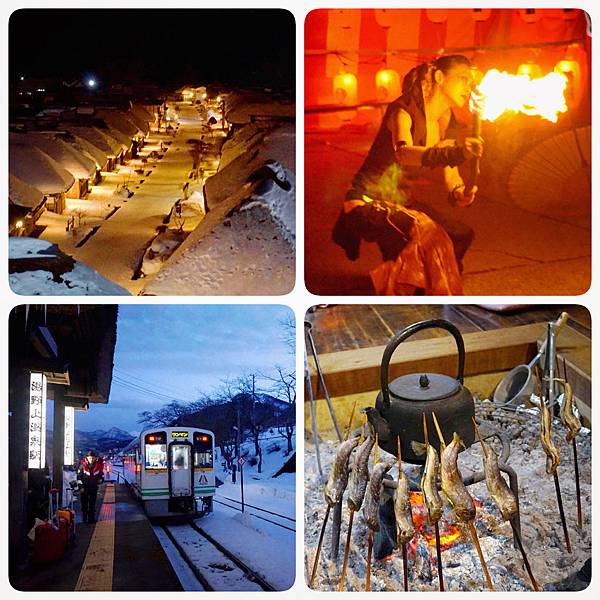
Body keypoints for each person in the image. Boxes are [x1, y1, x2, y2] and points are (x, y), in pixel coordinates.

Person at [333, 54, 484, 295]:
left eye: (471, 80)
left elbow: (450, 171)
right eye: (463, 78)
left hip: (402, 202)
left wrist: (459, 191)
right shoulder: (402, 111)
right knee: (425, 236)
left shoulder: (446, 119)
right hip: (367, 202)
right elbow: (404, 153)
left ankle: (430, 290)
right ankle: (397, 294)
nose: (469, 86)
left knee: (458, 235)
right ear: (439, 77)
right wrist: (453, 154)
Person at [77, 449, 104, 524]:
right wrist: (81, 487)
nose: (91, 459)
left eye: (93, 458)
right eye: (90, 458)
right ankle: (85, 519)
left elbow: (101, 475)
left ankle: (91, 519)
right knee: (84, 504)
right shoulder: (82, 466)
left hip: (93, 488)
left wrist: (101, 480)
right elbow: (79, 477)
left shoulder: (98, 466)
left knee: (92, 504)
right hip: (84, 488)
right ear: (87, 458)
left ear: (95, 458)